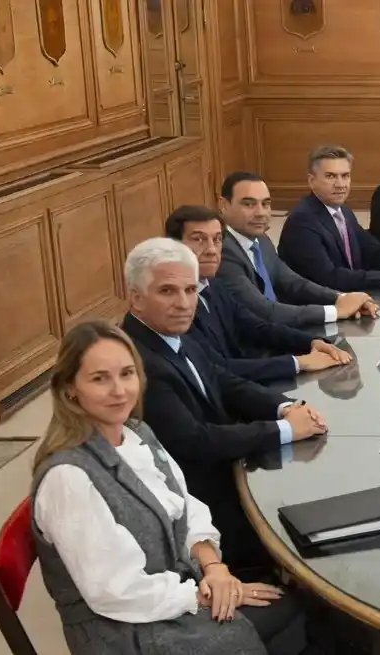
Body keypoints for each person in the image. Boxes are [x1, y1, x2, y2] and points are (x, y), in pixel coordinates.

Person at [31, 319, 307, 654]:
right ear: (70, 388)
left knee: (294, 607)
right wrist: (202, 594)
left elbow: (186, 506)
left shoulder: (137, 433)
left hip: (169, 596)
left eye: (127, 373)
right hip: (122, 631)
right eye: (100, 379)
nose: (119, 390)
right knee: (295, 613)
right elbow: (115, 591)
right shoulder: (68, 477)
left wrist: (215, 569)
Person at [119, 238, 327, 574]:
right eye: (168, 291)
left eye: (189, 290)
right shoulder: (138, 363)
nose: (184, 303)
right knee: (311, 533)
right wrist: (284, 430)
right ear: (135, 298)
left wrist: (284, 407)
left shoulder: (169, 333)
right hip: (202, 504)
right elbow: (196, 442)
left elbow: (221, 378)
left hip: (227, 470)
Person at [166, 205, 352, 384]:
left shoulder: (213, 285)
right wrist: (298, 363)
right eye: (199, 239)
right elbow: (218, 368)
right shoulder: (175, 306)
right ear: (173, 246)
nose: (211, 250)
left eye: (217, 239)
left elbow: (255, 326)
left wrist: (311, 342)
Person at [216, 170, 377, 328]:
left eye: (265, 204)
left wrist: (341, 298)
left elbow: (293, 282)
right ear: (223, 205)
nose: (260, 213)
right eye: (249, 204)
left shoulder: (261, 240)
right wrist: (335, 311)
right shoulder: (222, 252)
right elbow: (265, 311)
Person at [278, 145, 380, 291]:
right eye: (331, 176)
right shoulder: (302, 221)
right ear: (312, 181)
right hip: (319, 310)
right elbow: (329, 278)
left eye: (345, 176)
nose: (340, 184)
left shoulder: (343, 211)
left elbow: (373, 250)